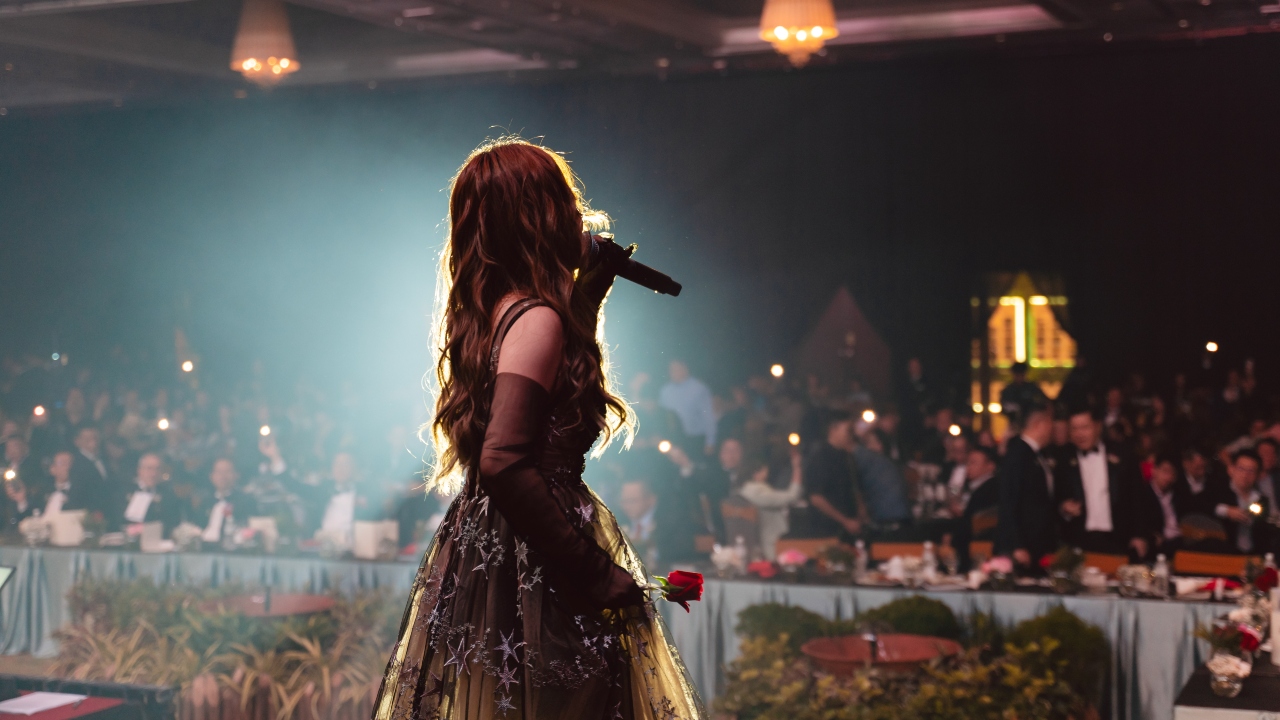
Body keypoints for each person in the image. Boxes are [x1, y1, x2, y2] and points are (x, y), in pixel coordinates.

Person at [373, 139, 702, 720]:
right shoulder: (537, 318)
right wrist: (595, 572)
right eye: (566, 202)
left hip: (501, 546)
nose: (580, 216)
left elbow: (540, 410)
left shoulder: (498, 310)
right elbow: (503, 459)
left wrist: (586, 299)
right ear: (538, 217)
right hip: (537, 559)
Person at [1054, 408, 1148, 558]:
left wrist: (1139, 534)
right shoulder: (1063, 459)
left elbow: (1137, 497)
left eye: (1085, 427)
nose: (1079, 434)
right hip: (1079, 539)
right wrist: (1063, 508)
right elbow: (1055, 498)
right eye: (1074, 429)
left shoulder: (1123, 453)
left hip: (1118, 537)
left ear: (1098, 426)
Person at [994, 404, 1058, 572]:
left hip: (1037, 545)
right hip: (1022, 548)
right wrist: (1017, 545)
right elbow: (1008, 501)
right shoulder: (1018, 454)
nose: (1052, 428)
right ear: (1039, 424)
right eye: (1050, 422)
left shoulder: (1037, 454)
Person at [800, 410, 864, 540]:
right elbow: (816, 497)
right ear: (833, 430)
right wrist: (845, 521)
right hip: (826, 530)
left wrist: (861, 510)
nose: (851, 435)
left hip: (849, 528)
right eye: (848, 431)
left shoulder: (847, 457)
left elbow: (854, 487)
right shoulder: (820, 458)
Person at [738, 450, 804, 560]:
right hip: (770, 542)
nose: (767, 475)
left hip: (768, 541)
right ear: (756, 473)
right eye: (765, 471)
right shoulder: (756, 491)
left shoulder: (748, 489)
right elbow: (793, 495)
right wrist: (797, 467)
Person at [1207, 449, 1270, 554]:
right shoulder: (1217, 491)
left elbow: (1263, 533)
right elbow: (1203, 507)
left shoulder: (1261, 500)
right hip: (1222, 552)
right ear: (1231, 469)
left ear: (1258, 475)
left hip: (1252, 553)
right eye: (1241, 469)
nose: (1245, 475)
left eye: (1251, 471)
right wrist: (1227, 511)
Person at [658, 360, 717, 456]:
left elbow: (708, 417)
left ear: (685, 369)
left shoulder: (699, 388)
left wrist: (710, 442)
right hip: (673, 441)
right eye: (671, 370)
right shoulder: (665, 391)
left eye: (677, 369)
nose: (673, 372)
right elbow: (662, 417)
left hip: (696, 439)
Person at [197, 458, 259, 543]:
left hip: (234, 548)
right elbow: (199, 526)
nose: (222, 476)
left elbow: (251, 528)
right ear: (211, 476)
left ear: (236, 475)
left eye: (227, 471)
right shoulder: (206, 501)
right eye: (218, 472)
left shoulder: (246, 500)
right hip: (205, 546)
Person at [115, 452, 180, 533]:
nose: (153, 474)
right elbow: (117, 521)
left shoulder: (167, 494)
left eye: (157, 469)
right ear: (139, 471)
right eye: (149, 469)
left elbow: (173, 523)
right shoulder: (124, 491)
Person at [1137, 453, 1183, 559]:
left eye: (1172, 473)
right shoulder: (1143, 494)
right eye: (1165, 471)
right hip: (1158, 544)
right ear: (1154, 470)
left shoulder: (1178, 495)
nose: (1168, 477)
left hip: (1179, 541)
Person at [998, 362, 1047, 428]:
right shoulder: (1008, 390)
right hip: (1014, 425)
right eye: (1017, 374)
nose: (1019, 377)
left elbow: (1043, 404)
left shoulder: (1032, 388)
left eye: (1021, 374)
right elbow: (1004, 408)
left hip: (1032, 423)